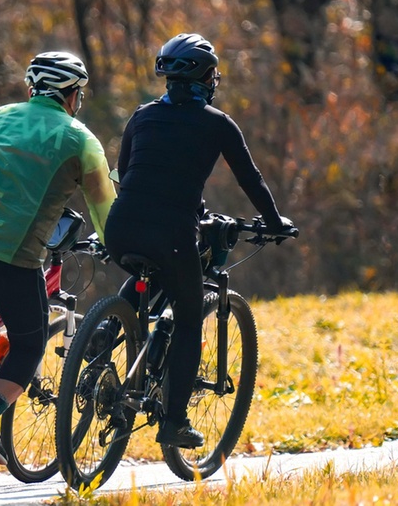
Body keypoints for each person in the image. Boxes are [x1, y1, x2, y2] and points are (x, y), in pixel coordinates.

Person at [103, 33, 295, 448]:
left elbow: (126, 172)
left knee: (144, 275)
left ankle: (103, 339)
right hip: (172, 234)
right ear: (207, 78)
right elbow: (251, 179)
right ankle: (174, 422)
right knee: (189, 318)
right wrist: (275, 222)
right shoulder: (216, 123)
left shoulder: (141, 116)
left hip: (120, 227)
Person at [0, 51, 116, 464]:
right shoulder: (80, 139)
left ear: (31, 87)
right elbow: (102, 203)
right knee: (31, 343)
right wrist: (115, 241)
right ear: (72, 95)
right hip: (15, 249)